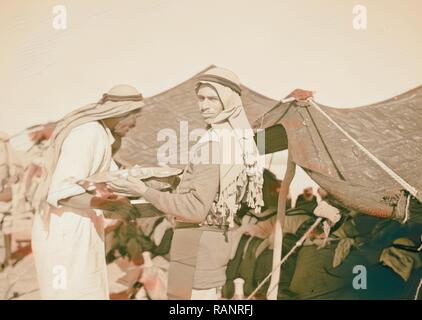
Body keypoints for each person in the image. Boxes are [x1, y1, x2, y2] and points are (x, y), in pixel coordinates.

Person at [108, 67, 314, 300]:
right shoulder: (228, 141)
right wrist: (132, 209)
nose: (203, 105)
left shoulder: (214, 147)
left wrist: (142, 189)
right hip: (199, 247)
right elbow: (190, 199)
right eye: (201, 98)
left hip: (198, 251)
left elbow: (195, 208)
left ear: (227, 101)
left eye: (212, 99)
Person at [31, 84, 144, 299]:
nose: (135, 124)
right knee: (64, 292)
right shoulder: (87, 133)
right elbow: (61, 190)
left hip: (81, 226)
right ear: (119, 112)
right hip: (61, 231)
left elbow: (107, 180)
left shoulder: (102, 135)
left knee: (87, 289)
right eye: (134, 116)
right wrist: (109, 205)